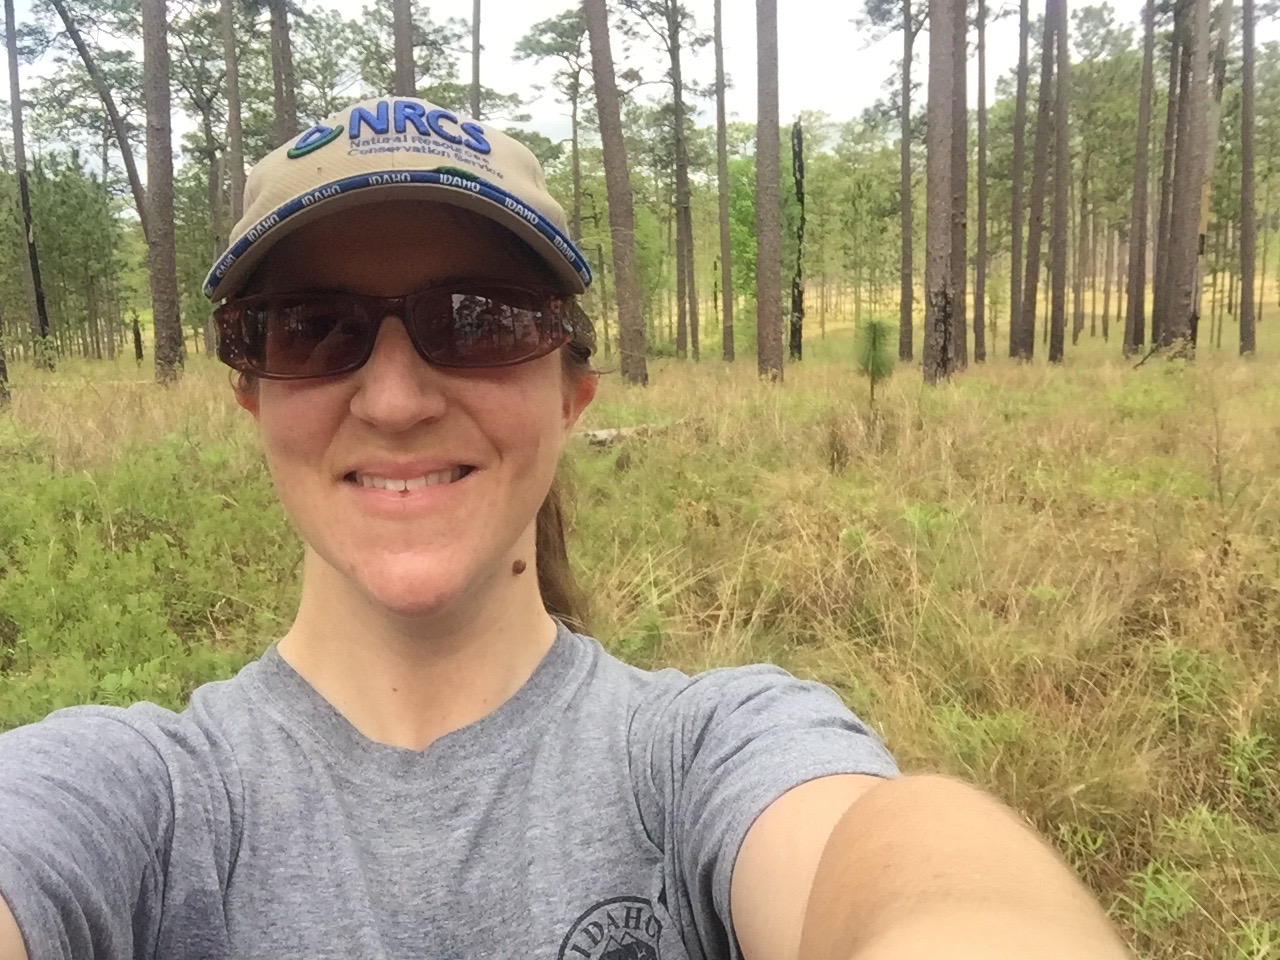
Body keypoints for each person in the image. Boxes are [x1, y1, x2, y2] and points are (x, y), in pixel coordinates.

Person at [0, 96, 1130, 960]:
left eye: (476, 321)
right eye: (310, 328)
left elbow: (883, 851)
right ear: (253, 395)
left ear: (567, 396)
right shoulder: (137, 800)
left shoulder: (706, 753)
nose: (394, 399)